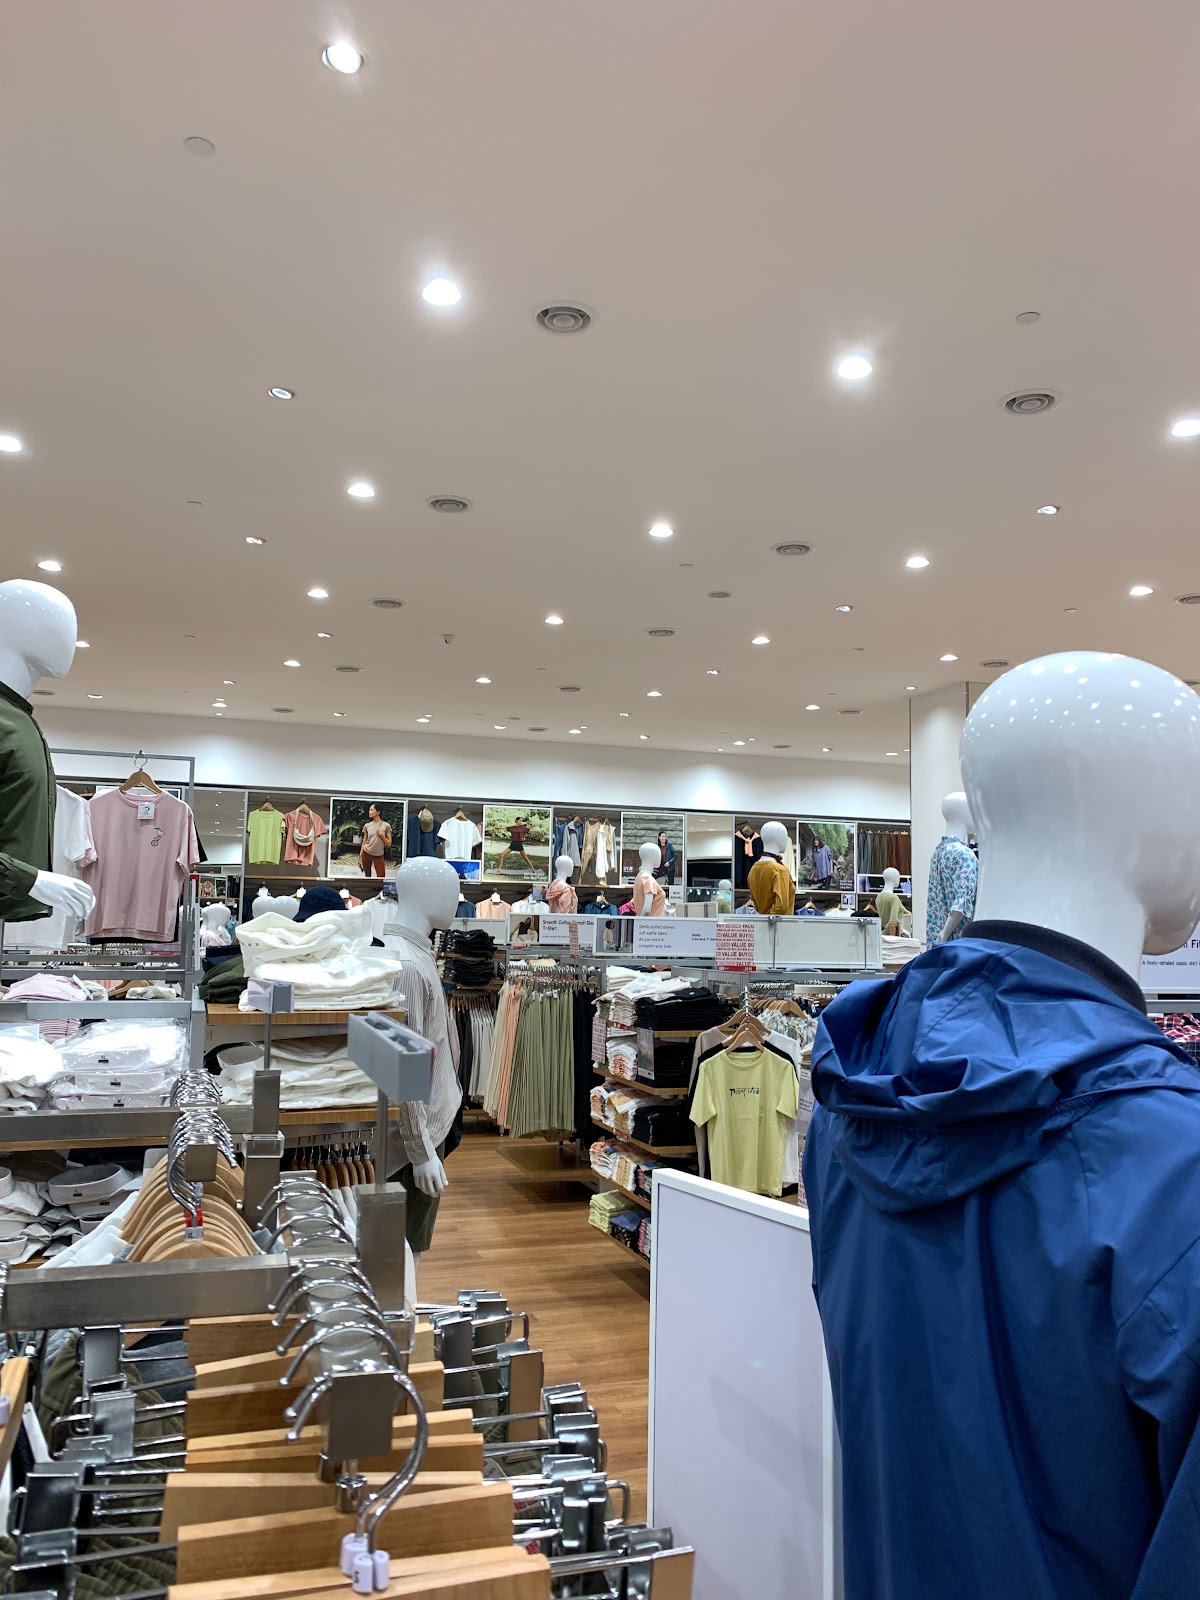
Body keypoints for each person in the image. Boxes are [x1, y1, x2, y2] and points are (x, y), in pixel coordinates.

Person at [358, 804, 391, 877]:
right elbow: (364, 842)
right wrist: (360, 857)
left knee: (381, 877)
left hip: (379, 855)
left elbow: (389, 844)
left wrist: (382, 836)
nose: (369, 812)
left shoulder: (386, 825)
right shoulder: (367, 826)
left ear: (378, 812)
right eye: (369, 810)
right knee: (367, 877)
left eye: (372, 810)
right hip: (366, 853)